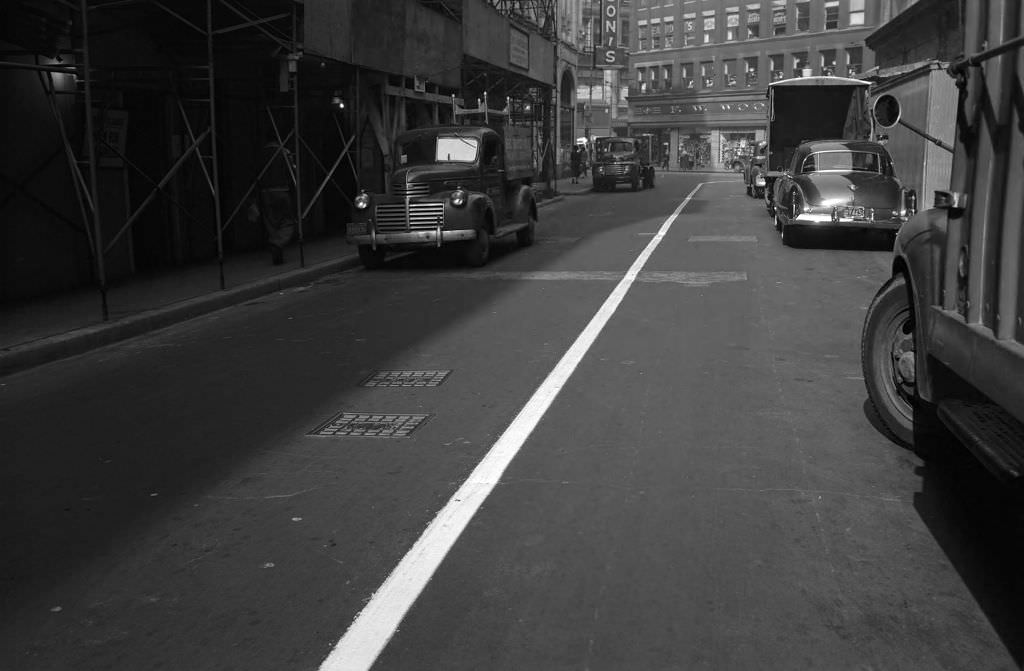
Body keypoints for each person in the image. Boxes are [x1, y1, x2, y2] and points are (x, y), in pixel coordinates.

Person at [258, 136, 297, 265]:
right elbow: (292, 172)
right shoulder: (284, 152)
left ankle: (277, 250)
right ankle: (278, 243)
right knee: (288, 221)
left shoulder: (261, 153)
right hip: (281, 189)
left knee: (271, 222)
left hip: (265, 191)